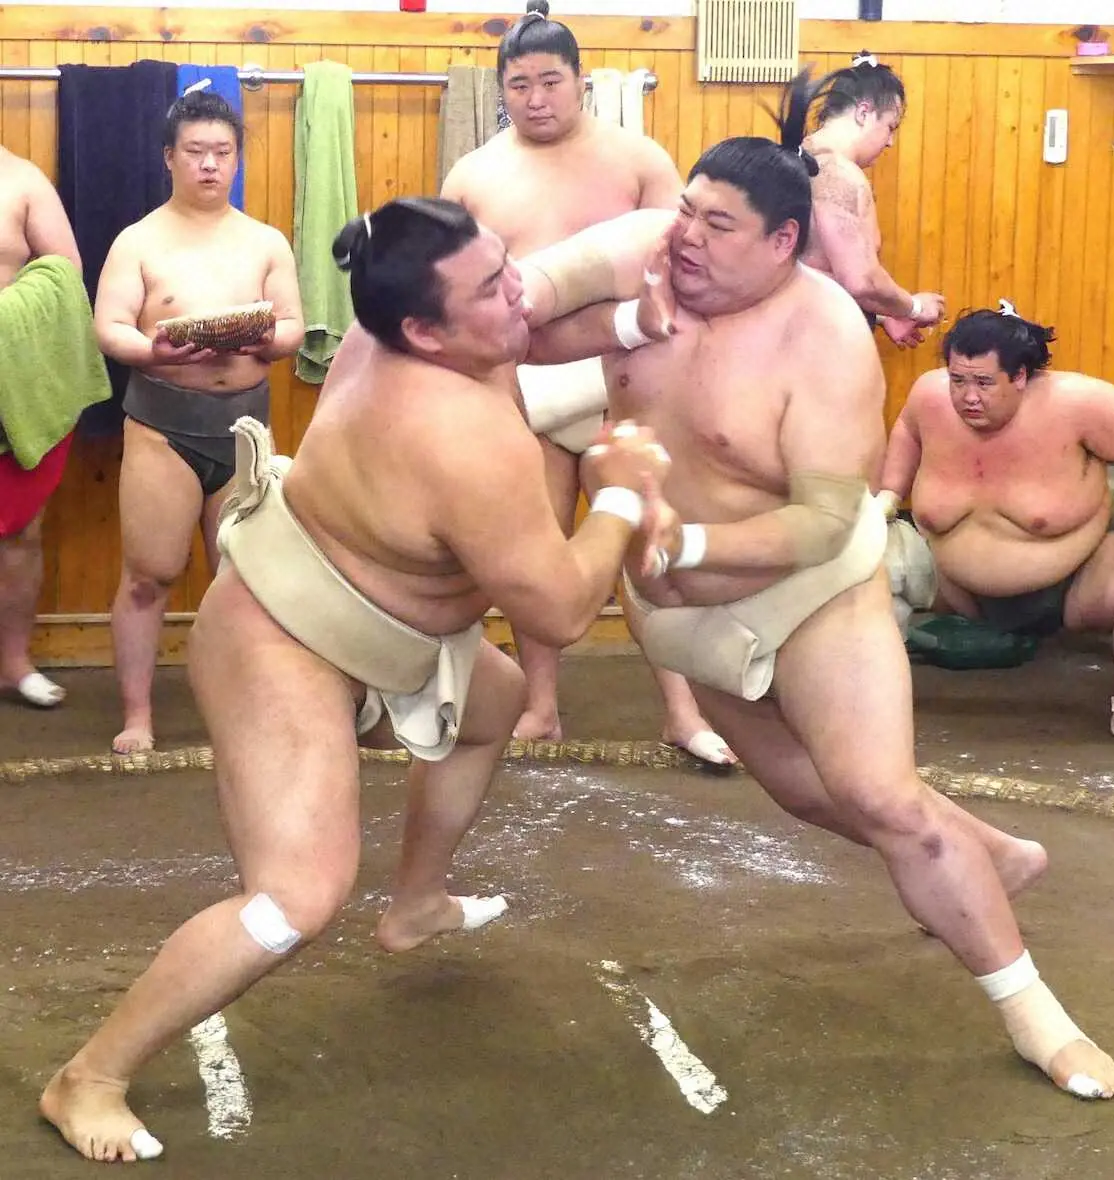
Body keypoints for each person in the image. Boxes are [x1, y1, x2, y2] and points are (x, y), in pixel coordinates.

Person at [39, 196, 676, 1163]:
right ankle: (88, 1075)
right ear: (426, 328)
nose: (520, 293)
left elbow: (549, 311)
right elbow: (560, 612)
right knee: (295, 896)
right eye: (492, 288)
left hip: (386, 631)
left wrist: (643, 309)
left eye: (507, 265)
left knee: (489, 707)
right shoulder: (463, 436)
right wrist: (622, 485)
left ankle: (417, 902)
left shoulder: (414, 330)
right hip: (281, 639)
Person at [551, 81, 1114, 1102]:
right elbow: (513, 314)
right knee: (806, 792)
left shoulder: (824, 340)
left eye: (717, 225)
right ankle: (997, 852)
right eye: (686, 208)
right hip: (680, 610)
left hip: (805, 589)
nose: (687, 235)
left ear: (781, 243)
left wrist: (679, 541)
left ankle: (1034, 1011)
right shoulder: (643, 255)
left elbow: (818, 521)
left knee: (880, 796)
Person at [441, 0, 735, 766]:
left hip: (623, 374)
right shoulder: (474, 175)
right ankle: (540, 708)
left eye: (550, 82)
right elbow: (453, 289)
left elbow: (683, 267)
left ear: (581, 82)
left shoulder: (637, 159)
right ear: (500, 89)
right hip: (521, 381)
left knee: (645, 548)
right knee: (537, 552)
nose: (536, 100)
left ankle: (681, 708)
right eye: (519, 86)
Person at [94, 88, 303, 755]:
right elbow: (109, 328)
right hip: (162, 423)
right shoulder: (140, 241)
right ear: (169, 158)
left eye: (222, 152)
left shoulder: (265, 241)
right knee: (149, 573)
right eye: (196, 152)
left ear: (236, 158)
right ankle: (138, 716)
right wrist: (153, 348)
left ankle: (244, 712)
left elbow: (294, 325)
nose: (210, 165)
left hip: (245, 427)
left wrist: (266, 342)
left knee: (241, 578)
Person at [879, 304, 1114, 749]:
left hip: (1071, 586)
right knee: (856, 564)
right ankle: (862, 702)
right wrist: (889, 495)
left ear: (1020, 376)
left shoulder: (1077, 402)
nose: (968, 396)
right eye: (958, 379)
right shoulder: (929, 397)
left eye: (984, 383)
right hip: (948, 581)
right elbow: (907, 429)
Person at [0, 148, 88, 709]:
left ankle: (13, 662)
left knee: (19, 533)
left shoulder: (22, 181)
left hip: (15, 382)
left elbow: (66, 276)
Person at [795, 54, 945, 349]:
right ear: (864, 112)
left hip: (796, 334)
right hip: (816, 345)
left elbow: (810, 271)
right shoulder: (838, 174)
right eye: (891, 126)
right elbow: (860, 280)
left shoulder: (793, 157)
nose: (890, 142)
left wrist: (882, 313)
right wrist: (913, 307)